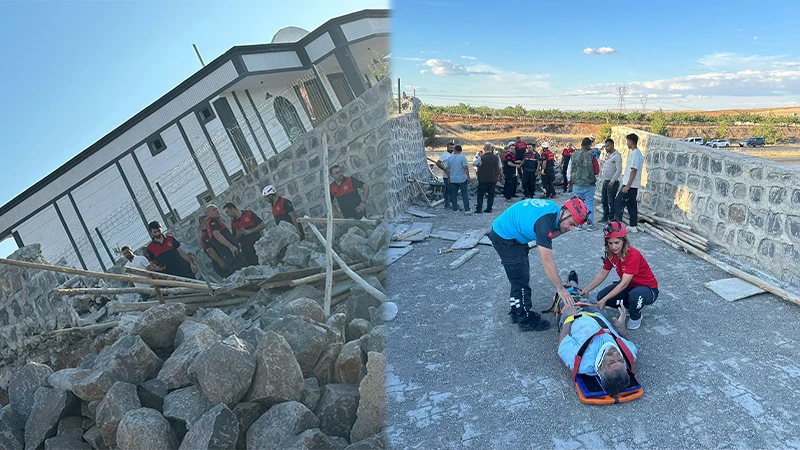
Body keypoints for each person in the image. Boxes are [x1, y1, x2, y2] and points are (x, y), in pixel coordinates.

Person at [487, 197, 590, 331]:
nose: (571, 229)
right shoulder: (544, 223)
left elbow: (551, 235)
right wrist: (561, 289)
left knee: (518, 275)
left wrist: (562, 229)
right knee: (520, 279)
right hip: (505, 237)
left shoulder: (554, 212)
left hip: (513, 235)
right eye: (571, 224)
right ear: (565, 212)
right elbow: (547, 261)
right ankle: (524, 320)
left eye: (575, 226)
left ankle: (516, 311)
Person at [579, 221, 660, 330]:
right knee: (601, 296)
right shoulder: (611, 254)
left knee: (635, 295)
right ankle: (631, 305)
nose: (613, 247)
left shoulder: (633, 255)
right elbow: (603, 273)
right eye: (610, 243)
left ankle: (636, 315)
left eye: (617, 242)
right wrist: (587, 289)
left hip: (648, 289)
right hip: (630, 286)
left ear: (624, 241)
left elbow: (623, 284)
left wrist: (603, 300)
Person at [556, 295, 636, 396]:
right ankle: (575, 286)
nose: (615, 353)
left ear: (600, 370)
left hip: (575, 315)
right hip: (597, 314)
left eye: (611, 361)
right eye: (620, 360)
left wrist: (569, 317)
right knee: (583, 295)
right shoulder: (628, 355)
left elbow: (562, 343)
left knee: (566, 294)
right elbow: (627, 341)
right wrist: (621, 328)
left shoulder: (581, 361)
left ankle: (569, 286)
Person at [614, 133, 644, 232]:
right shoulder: (636, 153)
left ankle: (618, 226)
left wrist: (627, 186)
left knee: (618, 203)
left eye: (627, 141)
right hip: (632, 185)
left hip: (629, 185)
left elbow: (633, 170)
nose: (627, 143)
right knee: (631, 205)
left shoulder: (635, 154)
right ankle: (633, 225)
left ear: (631, 142)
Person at [205, 204, 247, 273]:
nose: (217, 211)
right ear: (208, 213)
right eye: (214, 210)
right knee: (243, 270)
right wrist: (231, 246)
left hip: (227, 255)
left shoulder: (210, 224)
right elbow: (217, 235)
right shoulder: (213, 221)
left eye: (217, 209)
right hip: (231, 253)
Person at [224, 202, 266, 266]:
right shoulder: (233, 223)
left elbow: (262, 225)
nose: (227, 215)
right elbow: (235, 239)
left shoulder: (248, 214)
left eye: (227, 212)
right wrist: (238, 235)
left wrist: (250, 231)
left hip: (258, 244)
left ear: (232, 209)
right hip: (247, 250)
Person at [569, 137, 598, 232]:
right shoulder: (592, 156)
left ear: (581, 144)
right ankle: (589, 224)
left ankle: (578, 224)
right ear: (589, 145)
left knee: (578, 204)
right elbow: (597, 170)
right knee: (589, 203)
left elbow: (569, 170)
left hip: (577, 184)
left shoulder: (573, 155)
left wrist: (570, 181)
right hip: (589, 184)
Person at [473, 142, 502, 213]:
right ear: (492, 148)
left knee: (480, 194)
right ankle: (489, 208)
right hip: (493, 179)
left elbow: (474, 163)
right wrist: (501, 176)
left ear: (484, 149)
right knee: (491, 194)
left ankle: (479, 208)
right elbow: (500, 168)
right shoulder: (496, 157)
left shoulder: (481, 158)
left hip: (483, 179)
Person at [600, 139, 623, 222]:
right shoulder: (607, 155)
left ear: (612, 145)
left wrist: (612, 181)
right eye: (605, 146)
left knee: (611, 201)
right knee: (604, 200)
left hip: (612, 182)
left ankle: (612, 217)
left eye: (608, 146)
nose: (606, 148)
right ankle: (605, 216)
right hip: (605, 181)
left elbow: (619, 170)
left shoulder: (617, 156)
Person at [444, 144, 470, 212]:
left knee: (453, 194)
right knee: (464, 194)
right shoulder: (463, 158)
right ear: (461, 151)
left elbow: (447, 169)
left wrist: (449, 177)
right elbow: (465, 168)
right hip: (462, 179)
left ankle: (455, 208)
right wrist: (468, 176)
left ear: (454, 150)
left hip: (453, 179)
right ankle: (467, 208)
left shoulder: (450, 158)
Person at [435, 142, 456, 209]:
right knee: (451, 190)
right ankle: (454, 205)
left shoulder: (453, 154)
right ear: (447, 147)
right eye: (450, 147)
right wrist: (445, 169)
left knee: (447, 190)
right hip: (446, 176)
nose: (452, 149)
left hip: (452, 175)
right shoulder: (445, 155)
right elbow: (438, 163)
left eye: (453, 148)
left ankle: (447, 204)